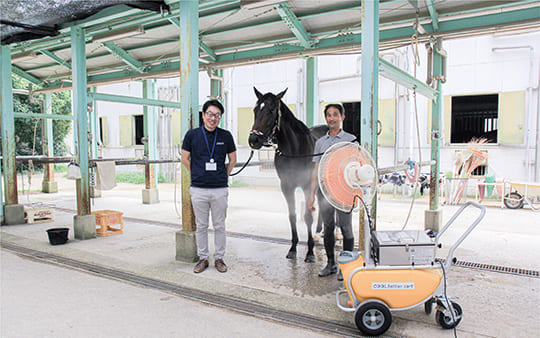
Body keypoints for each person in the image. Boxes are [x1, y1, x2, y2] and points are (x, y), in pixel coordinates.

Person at [181, 100, 237, 273]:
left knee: (219, 225)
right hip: (198, 189)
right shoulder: (192, 135)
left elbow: (233, 159)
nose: (213, 118)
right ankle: (203, 258)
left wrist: (223, 175)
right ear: (204, 115)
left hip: (219, 189)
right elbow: (184, 158)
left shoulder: (226, 136)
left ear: (220, 118)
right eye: (210, 114)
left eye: (217, 115)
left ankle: (219, 258)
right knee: (202, 225)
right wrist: (197, 174)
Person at [308, 103, 356, 279]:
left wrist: (355, 192)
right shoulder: (320, 143)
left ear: (342, 117)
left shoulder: (351, 140)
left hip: (344, 191)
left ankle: (347, 266)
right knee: (327, 228)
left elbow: (357, 166)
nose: (332, 118)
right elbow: (316, 170)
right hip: (325, 191)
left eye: (335, 114)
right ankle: (330, 264)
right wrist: (311, 195)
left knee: (346, 228)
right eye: (328, 115)